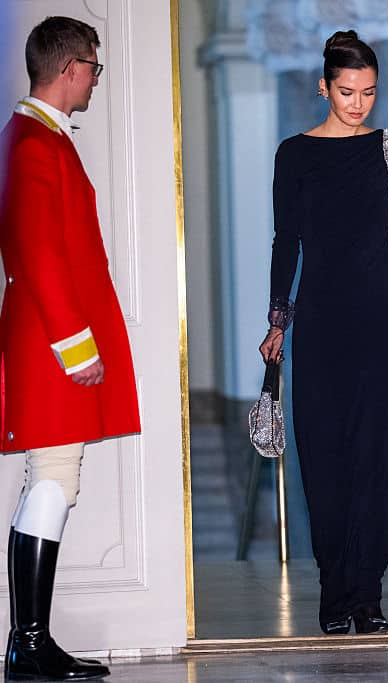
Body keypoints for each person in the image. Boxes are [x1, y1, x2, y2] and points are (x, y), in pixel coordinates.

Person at [258, 30, 388, 636]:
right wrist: (278, 320)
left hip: (382, 318)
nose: (359, 103)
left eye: (369, 92)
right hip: (321, 319)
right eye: (348, 92)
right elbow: (286, 242)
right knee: (324, 454)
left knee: (377, 456)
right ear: (324, 87)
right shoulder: (293, 154)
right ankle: (334, 592)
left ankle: (369, 596)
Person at [0, 16, 140, 681]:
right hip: (51, 343)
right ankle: (28, 643)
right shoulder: (31, 140)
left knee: (55, 480)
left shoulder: (38, 136)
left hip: (51, 340)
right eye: (93, 67)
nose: (94, 79)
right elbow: (36, 250)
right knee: (53, 480)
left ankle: (30, 640)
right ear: (70, 68)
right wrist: (74, 343)